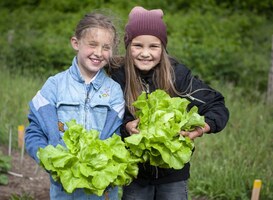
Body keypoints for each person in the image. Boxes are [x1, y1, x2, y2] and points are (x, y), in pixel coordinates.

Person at [110, 6, 229, 200]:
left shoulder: (177, 75)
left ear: (163, 47)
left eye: (153, 46)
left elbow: (217, 104)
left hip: (173, 174)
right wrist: (125, 127)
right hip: (135, 175)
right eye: (138, 45)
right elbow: (105, 119)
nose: (145, 53)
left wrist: (202, 127)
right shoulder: (117, 76)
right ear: (127, 46)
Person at [24, 11, 125, 200]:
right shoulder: (54, 85)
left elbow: (119, 139)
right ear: (76, 43)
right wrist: (49, 160)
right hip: (64, 190)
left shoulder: (114, 92)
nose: (98, 53)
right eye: (92, 44)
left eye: (106, 47)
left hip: (102, 191)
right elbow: (34, 132)